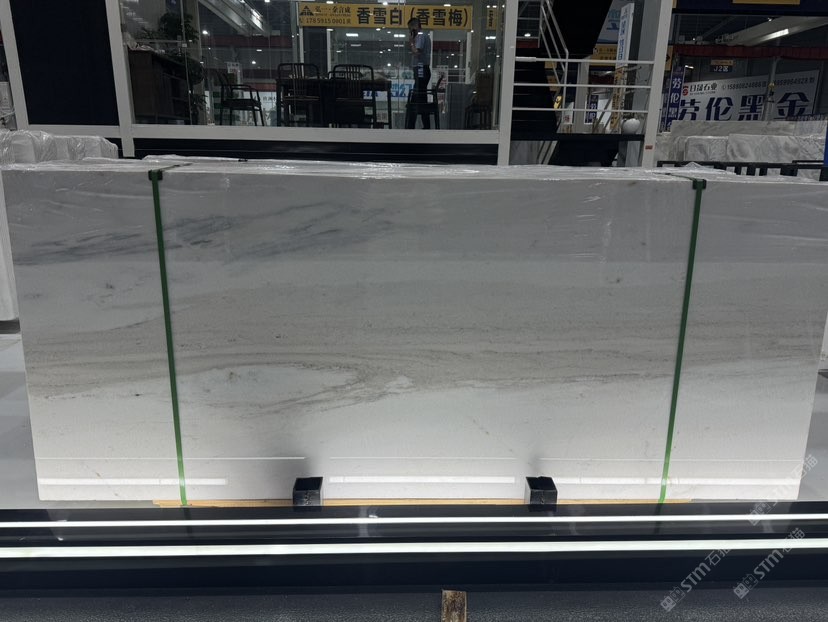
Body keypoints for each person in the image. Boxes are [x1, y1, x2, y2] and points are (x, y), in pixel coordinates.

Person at [405, 17, 432, 129]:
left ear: (415, 26)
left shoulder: (420, 36)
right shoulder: (423, 36)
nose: (410, 31)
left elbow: (417, 53)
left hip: (421, 69)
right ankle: (426, 126)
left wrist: (411, 43)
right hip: (422, 69)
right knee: (421, 99)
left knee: (415, 100)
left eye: (410, 28)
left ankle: (410, 126)